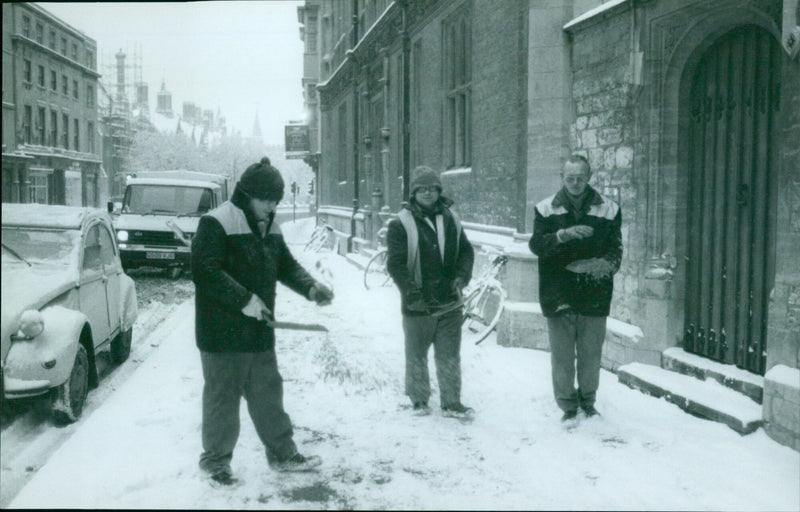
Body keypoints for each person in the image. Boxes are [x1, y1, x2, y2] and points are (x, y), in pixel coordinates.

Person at [191, 157, 334, 485]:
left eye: (275, 201)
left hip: (258, 332)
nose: (271, 207)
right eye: (266, 200)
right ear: (247, 194)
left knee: (269, 395)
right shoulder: (217, 223)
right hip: (222, 335)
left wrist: (311, 286)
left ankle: (283, 454)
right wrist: (244, 300)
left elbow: (286, 266)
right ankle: (216, 464)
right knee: (222, 400)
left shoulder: (270, 226)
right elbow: (205, 272)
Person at [529, 154, 622, 423]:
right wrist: (561, 235)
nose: (575, 183)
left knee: (591, 354)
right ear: (562, 177)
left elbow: (616, 248)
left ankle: (588, 402)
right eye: (570, 178)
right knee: (562, 355)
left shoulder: (609, 209)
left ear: (589, 177)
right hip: (558, 291)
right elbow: (536, 245)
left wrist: (605, 265)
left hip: (595, 290)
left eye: (580, 178)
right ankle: (568, 405)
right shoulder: (545, 209)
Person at [386, 166, 475, 418]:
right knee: (416, 354)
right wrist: (411, 294)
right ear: (413, 193)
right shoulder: (401, 223)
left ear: (438, 191)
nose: (427, 193)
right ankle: (419, 400)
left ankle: (451, 402)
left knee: (449, 355)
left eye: (432, 188)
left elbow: (466, 251)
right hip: (418, 304)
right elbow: (395, 263)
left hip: (449, 302)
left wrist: (461, 276)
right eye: (421, 189)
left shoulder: (450, 218)